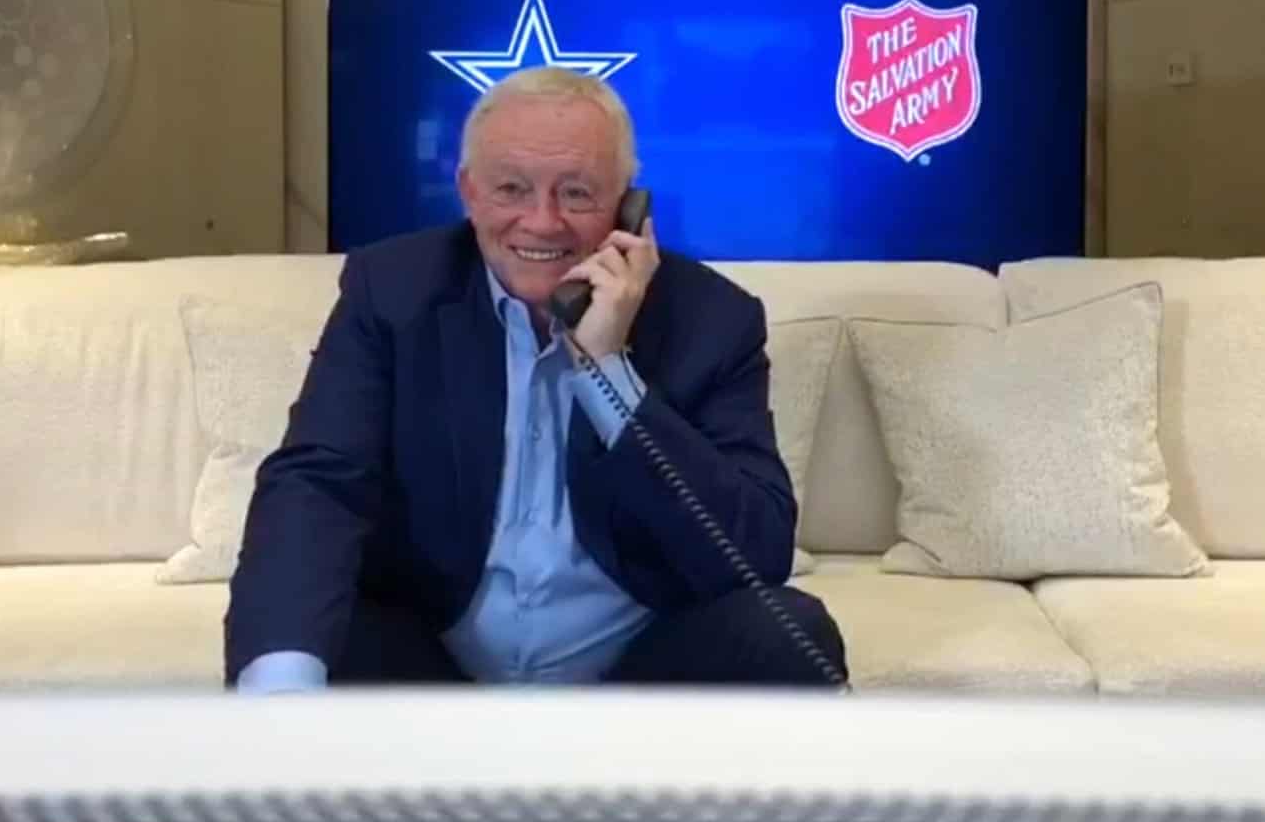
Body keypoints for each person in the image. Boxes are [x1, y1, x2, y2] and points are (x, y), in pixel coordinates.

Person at [225, 66, 848, 691]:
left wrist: (607, 369)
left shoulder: (713, 319)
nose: (543, 222)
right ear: (468, 192)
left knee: (786, 633)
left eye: (577, 193)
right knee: (307, 648)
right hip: (433, 668)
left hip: (634, 681)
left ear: (629, 204)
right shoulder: (391, 291)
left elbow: (755, 552)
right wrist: (282, 696)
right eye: (511, 188)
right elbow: (317, 484)